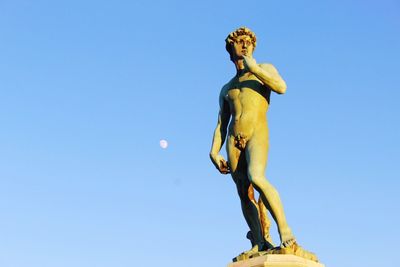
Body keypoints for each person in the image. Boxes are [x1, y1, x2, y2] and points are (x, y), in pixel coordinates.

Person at [209, 27, 295, 257]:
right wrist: (213, 152)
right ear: (231, 49)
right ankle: (259, 241)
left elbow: (282, 87)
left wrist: (254, 68)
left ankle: (285, 231)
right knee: (243, 192)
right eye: (239, 42)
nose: (245, 45)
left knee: (257, 177)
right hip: (233, 140)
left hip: (256, 132)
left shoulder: (263, 70)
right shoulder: (227, 88)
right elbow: (221, 122)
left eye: (248, 42)